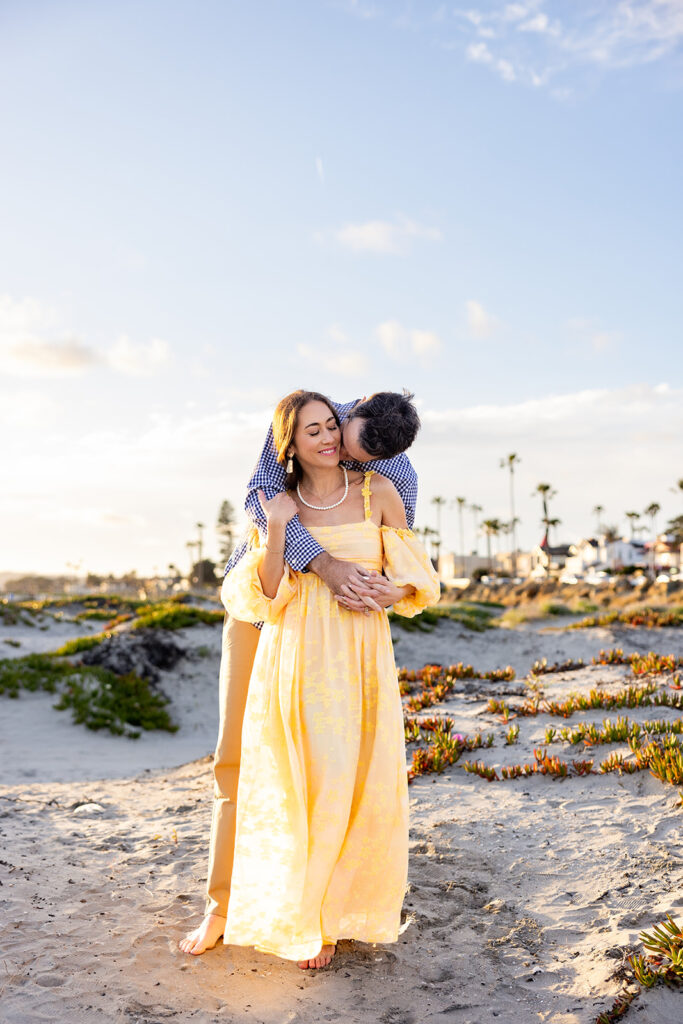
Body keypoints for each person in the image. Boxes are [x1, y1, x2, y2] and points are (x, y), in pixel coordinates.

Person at [184, 390, 439, 968]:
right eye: (333, 436)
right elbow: (261, 503)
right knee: (239, 758)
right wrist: (326, 566)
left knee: (340, 766)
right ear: (346, 416)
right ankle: (223, 907)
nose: (339, 450)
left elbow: (399, 556)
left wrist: (384, 586)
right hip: (264, 611)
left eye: (353, 450)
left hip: (344, 639)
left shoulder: (388, 467)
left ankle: (325, 907)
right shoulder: (303, 422)